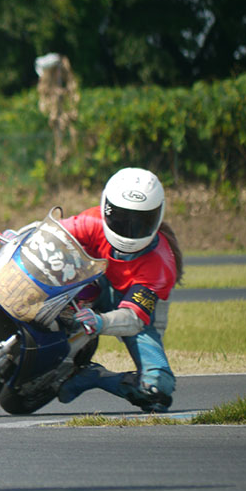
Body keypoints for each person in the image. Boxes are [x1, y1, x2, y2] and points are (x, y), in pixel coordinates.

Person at [54, 167, 184, 413]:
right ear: (106, 207)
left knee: (159, 388)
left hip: (133, 312)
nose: (129, 228)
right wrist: (20, 237)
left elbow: (134, 319)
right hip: (88, 287)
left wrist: (100, 322)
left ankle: (94, 377)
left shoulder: (161, 264)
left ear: (157, 216)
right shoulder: (92, 221)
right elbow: (50, 233)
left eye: (140, 221)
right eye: (121, 217)